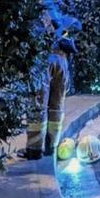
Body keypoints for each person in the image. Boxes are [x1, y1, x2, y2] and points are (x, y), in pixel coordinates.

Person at [23, 14, 79, 159]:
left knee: (38, 106)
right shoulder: (57, 7)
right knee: (56, 106)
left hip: (44, 60)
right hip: (61, 59)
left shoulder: (37, 4)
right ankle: (51, 147)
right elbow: (75, 25)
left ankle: (34, 150)